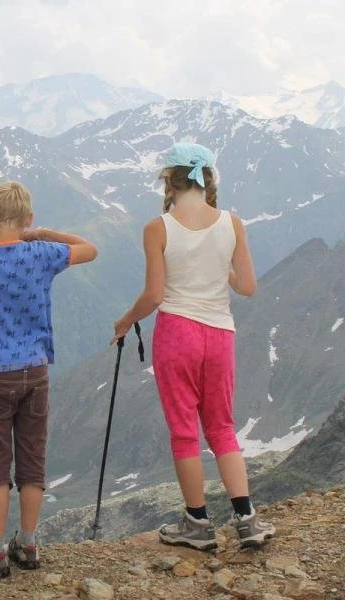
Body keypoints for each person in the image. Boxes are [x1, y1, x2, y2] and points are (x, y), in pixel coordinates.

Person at [112, 142, 276, 551]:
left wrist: (125, 320)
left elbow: (153, 295)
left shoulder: (158, 228)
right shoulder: (232, 222)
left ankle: (198, 525)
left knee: (185, 431)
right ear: (208, 179)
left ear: (169, 180)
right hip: (220, 334)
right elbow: (249, 287)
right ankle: (247, 520)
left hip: (177, 332)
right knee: (222, 427)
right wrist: (222, 275)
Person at [0, 181, 97, 577]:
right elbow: (90, 249)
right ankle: (27, 543)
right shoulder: (42, 253)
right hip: (36, 371)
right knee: (32, 459)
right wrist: (46, 234)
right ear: (28, 219)